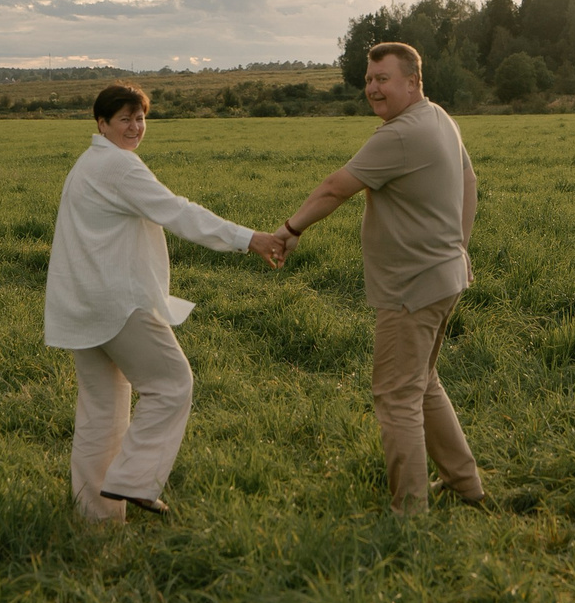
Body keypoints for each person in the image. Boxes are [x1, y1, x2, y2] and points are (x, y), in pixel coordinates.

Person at [45, 82, 288, 522]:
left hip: (81, 303)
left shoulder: (90, 163)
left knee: (101, 412)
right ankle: (134, 482)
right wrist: (249, 239)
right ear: (102, 125)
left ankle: (96, 521)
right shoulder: (119, 166)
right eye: (125, 119)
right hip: (116, 303)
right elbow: (179, 212)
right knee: (172, 384)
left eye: (140, 118)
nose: (135, 127)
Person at [274, 42, 485, 514]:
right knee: (422, 384)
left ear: (413, 81)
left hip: (412, 288)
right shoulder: (438, 118)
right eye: (368, 79)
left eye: (382, 79)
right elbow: (469, 181)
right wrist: (458, 246)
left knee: (396, 397)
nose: (372, 87)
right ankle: (466, 484)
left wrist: (289, 230)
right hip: (444, 276)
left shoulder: (402, 134)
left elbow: (335, 187)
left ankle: (408, 513)